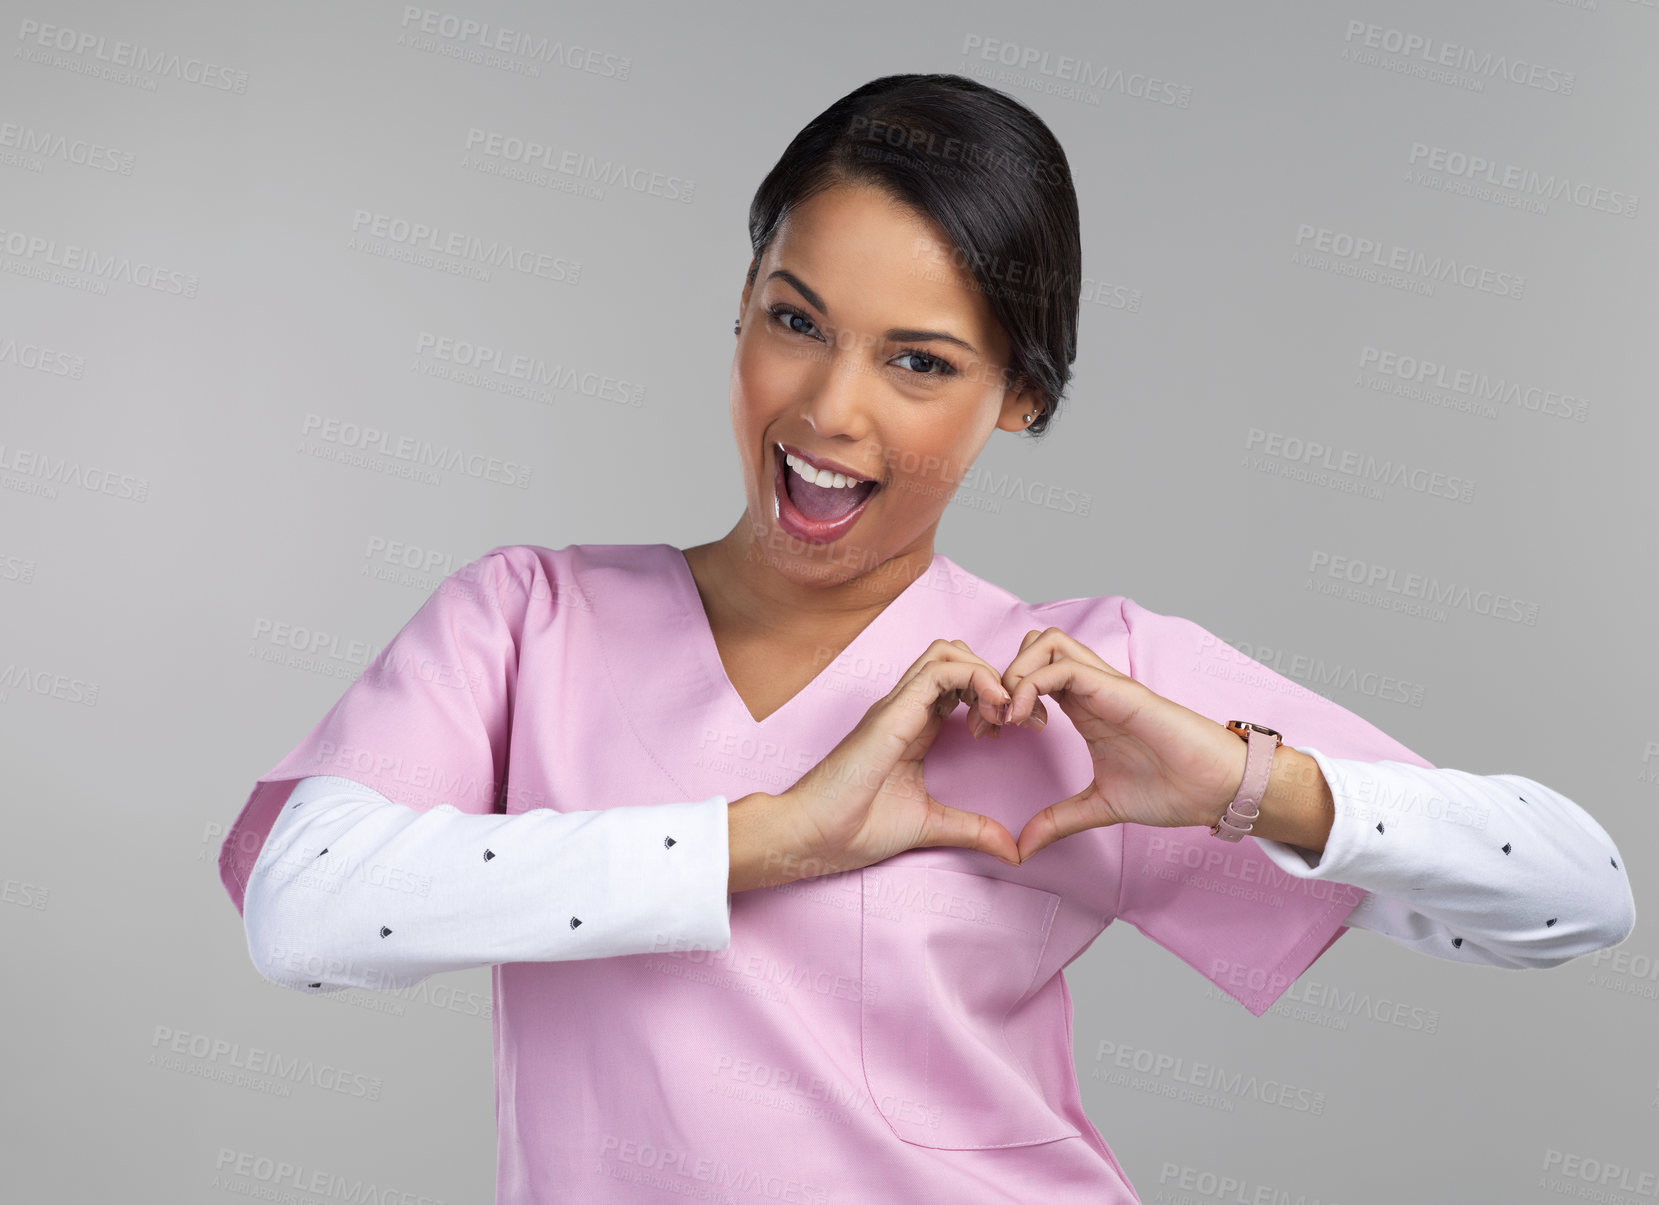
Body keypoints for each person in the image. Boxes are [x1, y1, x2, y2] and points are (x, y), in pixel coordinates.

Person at [218, 74, 1634, 1204]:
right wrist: (770, 836)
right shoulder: (530, 619)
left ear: (1018, 394)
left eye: (921, 361)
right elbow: (311, 910)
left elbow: (1575, 896)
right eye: (796, 320)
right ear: (743, 304)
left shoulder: (1071, 685)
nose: (832, 410)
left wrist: (1248, 787)